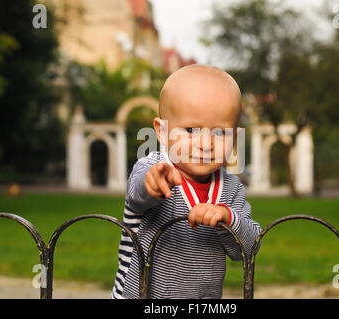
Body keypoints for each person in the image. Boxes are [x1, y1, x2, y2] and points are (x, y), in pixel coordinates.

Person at [111, 64, 261, 299]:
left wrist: (227, 218)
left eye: (220, 133)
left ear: (236, 138)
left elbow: (249, 248)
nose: (205, 143)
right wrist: (153, 183)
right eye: (191, 129)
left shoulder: (232, 189)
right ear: (161, 131)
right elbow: (137, 193)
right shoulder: (152, 167)